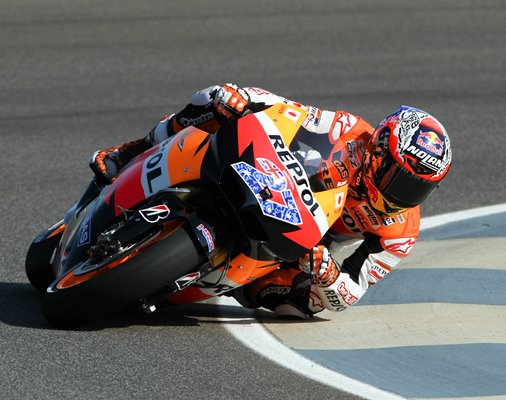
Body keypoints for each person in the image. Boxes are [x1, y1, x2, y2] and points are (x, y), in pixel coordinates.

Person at [89, 84, 452, 318]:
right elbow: (286, 110)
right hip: (276, 183)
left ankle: (236, 280)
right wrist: (244, 100)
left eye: (417, 188)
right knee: (215, 101)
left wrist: (327, 276)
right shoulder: (347, 130)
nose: (402, 195)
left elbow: (353, 292)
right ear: (379, 153)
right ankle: (132, 150)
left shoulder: (401, 230)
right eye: (398, 179)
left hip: (305, 244)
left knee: (303, 304)